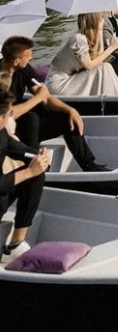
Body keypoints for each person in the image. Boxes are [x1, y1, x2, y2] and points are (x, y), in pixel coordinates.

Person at [1, 36, 108, 172]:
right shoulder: (1, 80)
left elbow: (45, 98)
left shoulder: (24, 69)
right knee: (31, 117)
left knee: (65, 117)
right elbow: (5, 114)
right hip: (6, 129)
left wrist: (69, 110)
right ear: (16, 61)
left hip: (20, 125)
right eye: (28, 55)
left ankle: (89, 165)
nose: (31, 58)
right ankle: (34, 164)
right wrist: (38, 98)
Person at [0, 90, 52, 264]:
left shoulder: (2, 134)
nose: (10, 117)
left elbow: (19, 150)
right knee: (31, 173)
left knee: (36, 175)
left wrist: (40, 157)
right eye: (8, 114)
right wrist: (29, 171)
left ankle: (15, 245)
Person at [45, 13, 118, 98]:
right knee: (105, 67)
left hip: (70, 79)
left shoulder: (87, 38)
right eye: (101, 18)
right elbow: (89, 65)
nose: (103, 20)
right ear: (94, 21)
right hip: (58, 84)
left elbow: (99, 61)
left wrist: (100, 31)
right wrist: (111, 48)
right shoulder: (78, 39)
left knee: (105, 66)